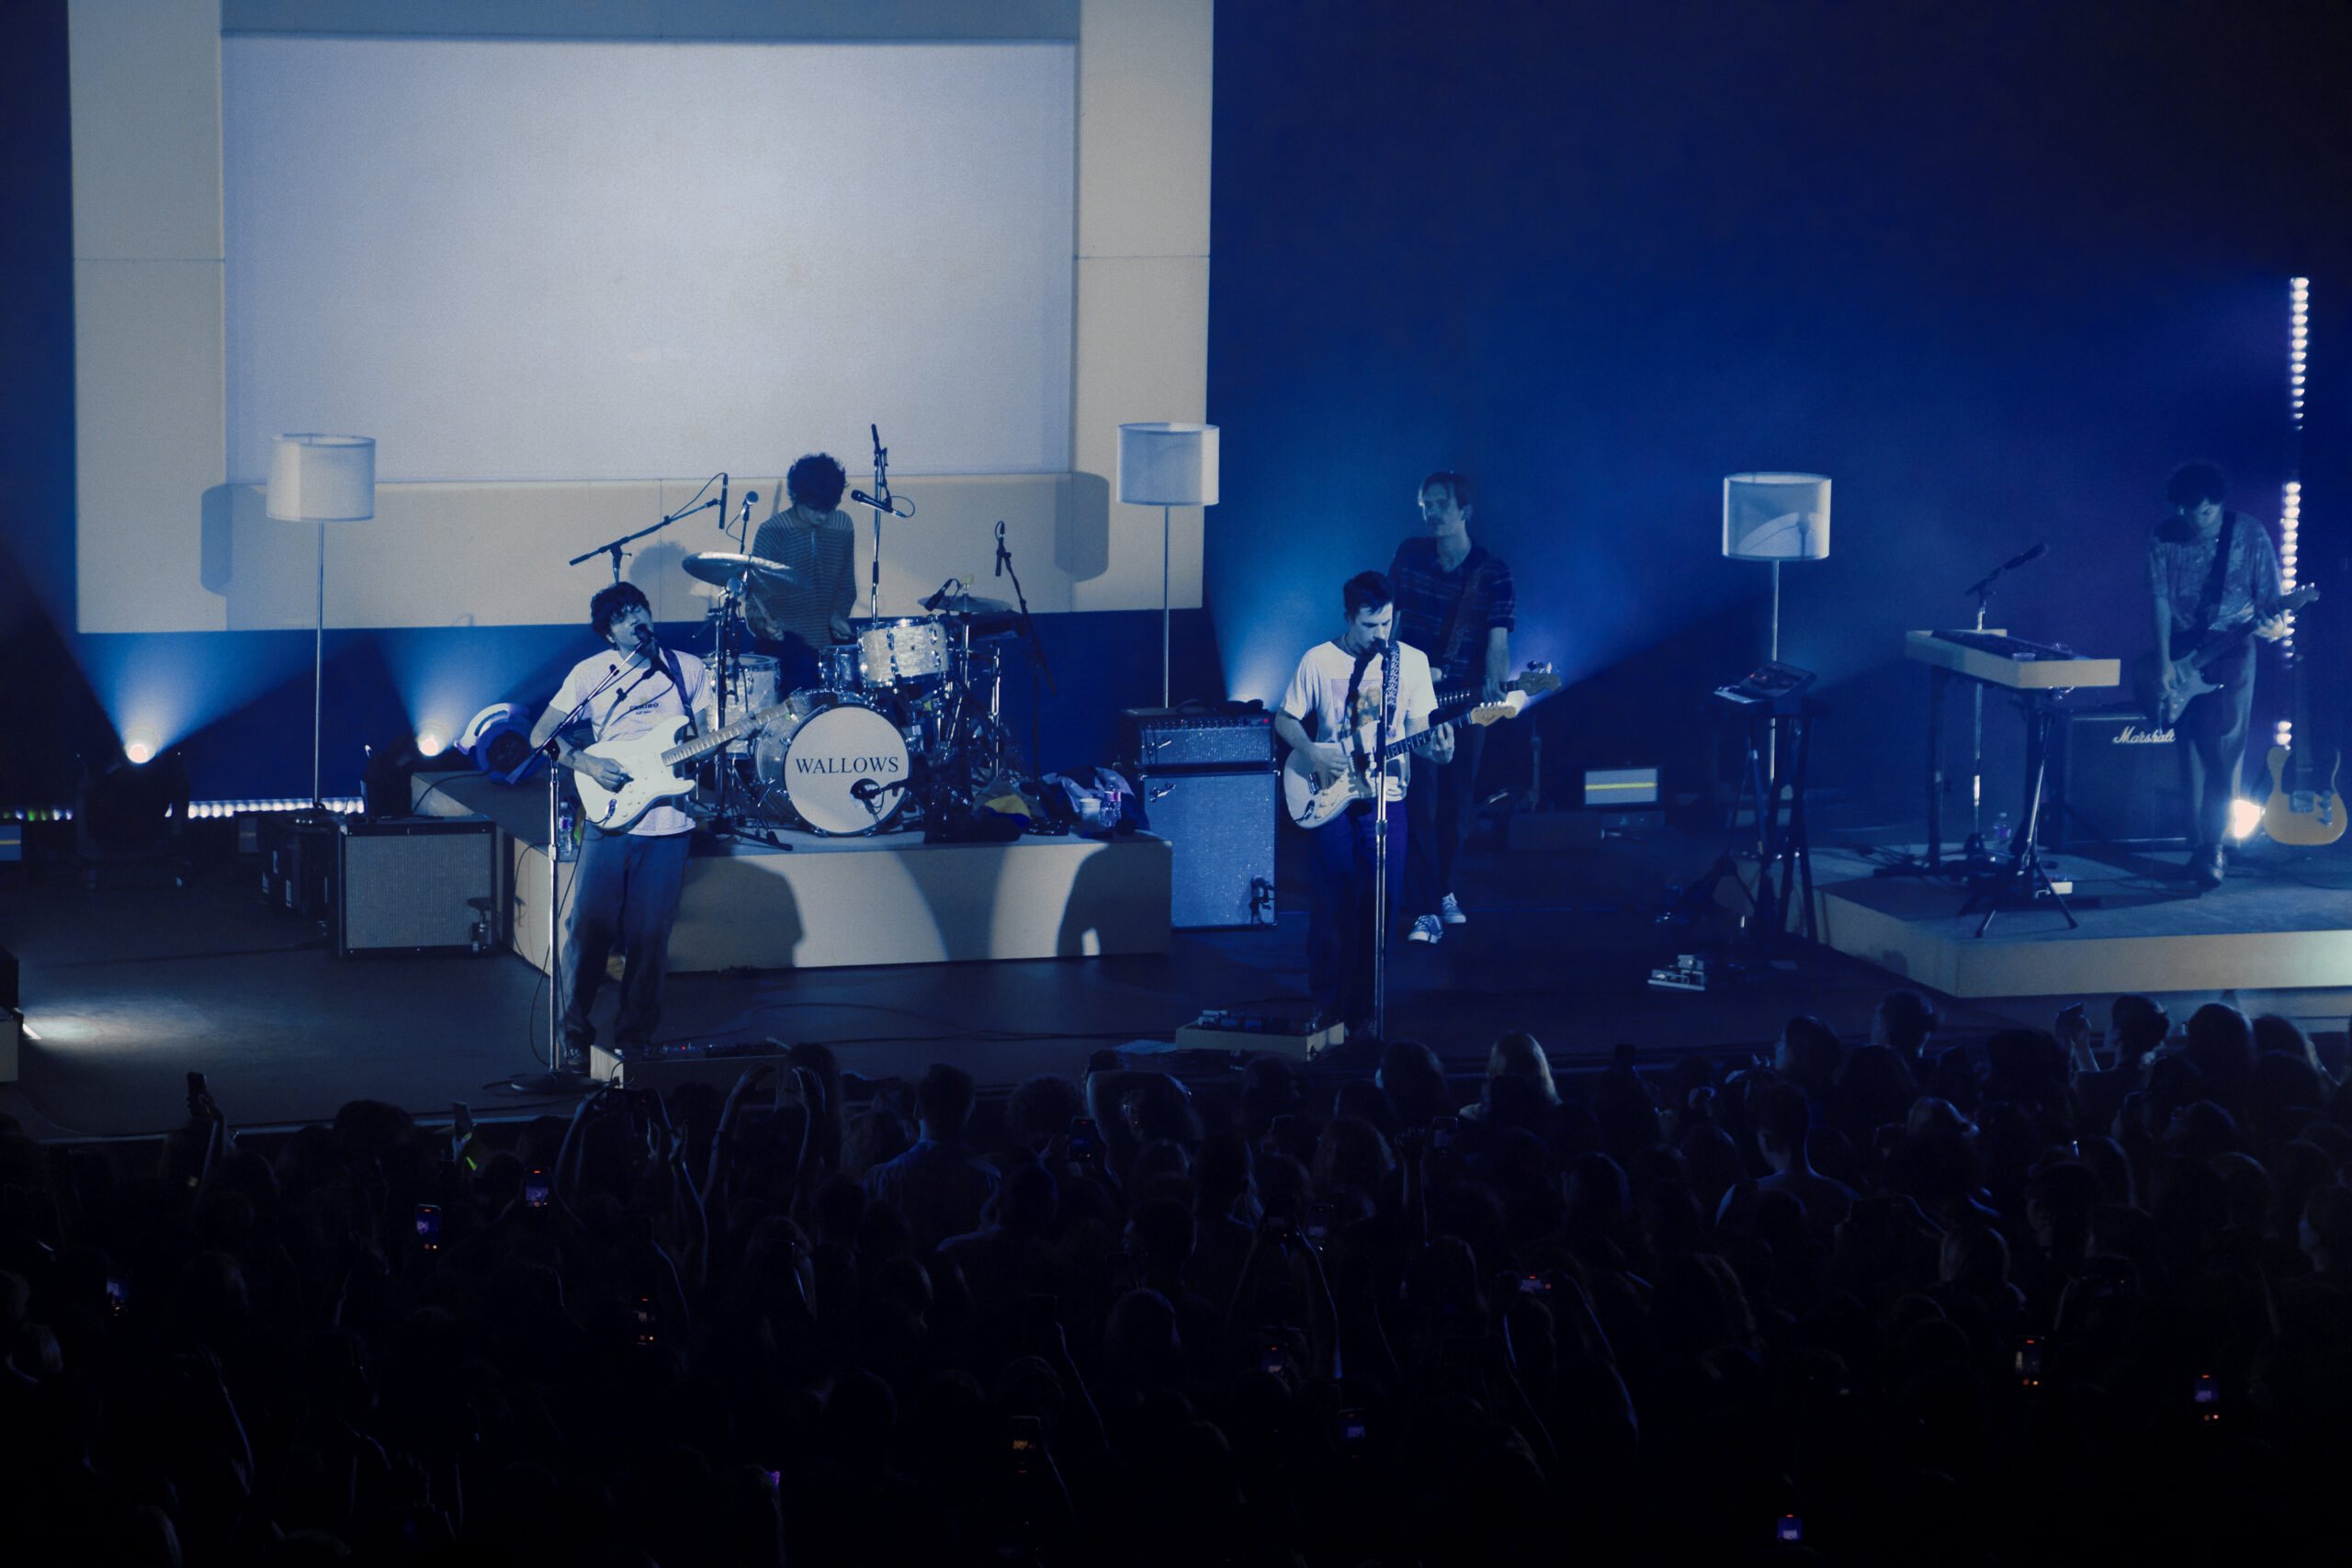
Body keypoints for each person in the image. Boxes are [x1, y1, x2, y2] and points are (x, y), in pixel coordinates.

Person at [528, 581, 708, 1067]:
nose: (636, 620)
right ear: (609, 633)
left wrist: (716, 744)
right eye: (623, 616)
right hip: (610, 817)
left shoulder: (687, 669)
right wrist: (587, 764)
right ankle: (572, 1034)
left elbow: (703, 739)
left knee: (651, 939)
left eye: (639, 609)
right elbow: (541, 734)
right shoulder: (591, 674)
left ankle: (636, 1039)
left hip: (669, 824)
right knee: (588, 932)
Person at [1272, 570, 1449, 1035]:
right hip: (1331, 794)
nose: (1380, 635)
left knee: (1379, 908)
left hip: (1386, 799)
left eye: (1387, 623)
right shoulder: (1318, 660)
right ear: (1349, 617)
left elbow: (1418, 733)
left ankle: (1366, 1009)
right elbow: (1285, 719)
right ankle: (1327, 1007)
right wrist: (1313, 752)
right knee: (1330, 907)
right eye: (1370, 625)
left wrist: (1437, 750)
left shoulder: (1411, 663)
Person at [2144, 461, 2288, 888]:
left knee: (2223, 751)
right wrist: (2164, 661)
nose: (2196, 519)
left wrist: (2272, 627)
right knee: (2189, 752)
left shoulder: (2249, 534)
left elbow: (2275, 612)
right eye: (2187, 511)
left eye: (2204, 511)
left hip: (2232, 647)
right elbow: (2159, 601)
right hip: (2183, 650)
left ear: (2219, 504)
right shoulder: (2164, 534)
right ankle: (2198, 846)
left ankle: (2215, 849)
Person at [1387, 469, 1515, 942]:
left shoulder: (1492, 571)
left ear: (1465, 510)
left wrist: (1495, 683)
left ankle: (1442, 890)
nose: (1432, 512)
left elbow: (1498, 643)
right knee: (1419, 797)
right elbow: (1389, 622)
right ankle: (1425, 906)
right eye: (1426, 504)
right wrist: (1387, 680)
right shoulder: (1409, 555)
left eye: (1442, 504)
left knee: (1457, 799)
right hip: (1414, 697)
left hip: (1466, 703)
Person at [745, 452, 860, 691]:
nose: (822, 515)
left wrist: (837, 615)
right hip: (784, 651)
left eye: (829, 507)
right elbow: (755, 602)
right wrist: (765, 626)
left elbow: (845, 587)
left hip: (828, 650)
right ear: (797, 496)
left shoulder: (843, 525)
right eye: (815, 508)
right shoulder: (772, 531)